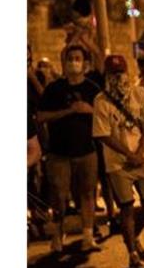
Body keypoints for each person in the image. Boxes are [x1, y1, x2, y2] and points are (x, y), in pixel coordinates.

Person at [92, 55, 144, 268]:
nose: (118, 77)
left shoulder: (139, 94)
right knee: (127, 208)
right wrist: (128, 154)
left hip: (141, 158)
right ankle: (131, 252)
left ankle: (134, 236)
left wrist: (139, 152)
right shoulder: (101, 101)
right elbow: (103, 134)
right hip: (117, 163)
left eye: (121, 72)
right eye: (113, 74)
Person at [38, 43, 102, 253]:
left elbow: (105, 117)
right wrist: (68, 111)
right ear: (64, 63)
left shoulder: (92, 88)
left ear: (84, 63)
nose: (74, 62)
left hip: (86, 150)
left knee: (87, 194)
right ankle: (57, 236)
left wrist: (89, 110)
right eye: (70, 58)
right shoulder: (54, 89)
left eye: (78, 58)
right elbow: (41, 117)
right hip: (60, 153)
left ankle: (88, 236)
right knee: (59, 196)